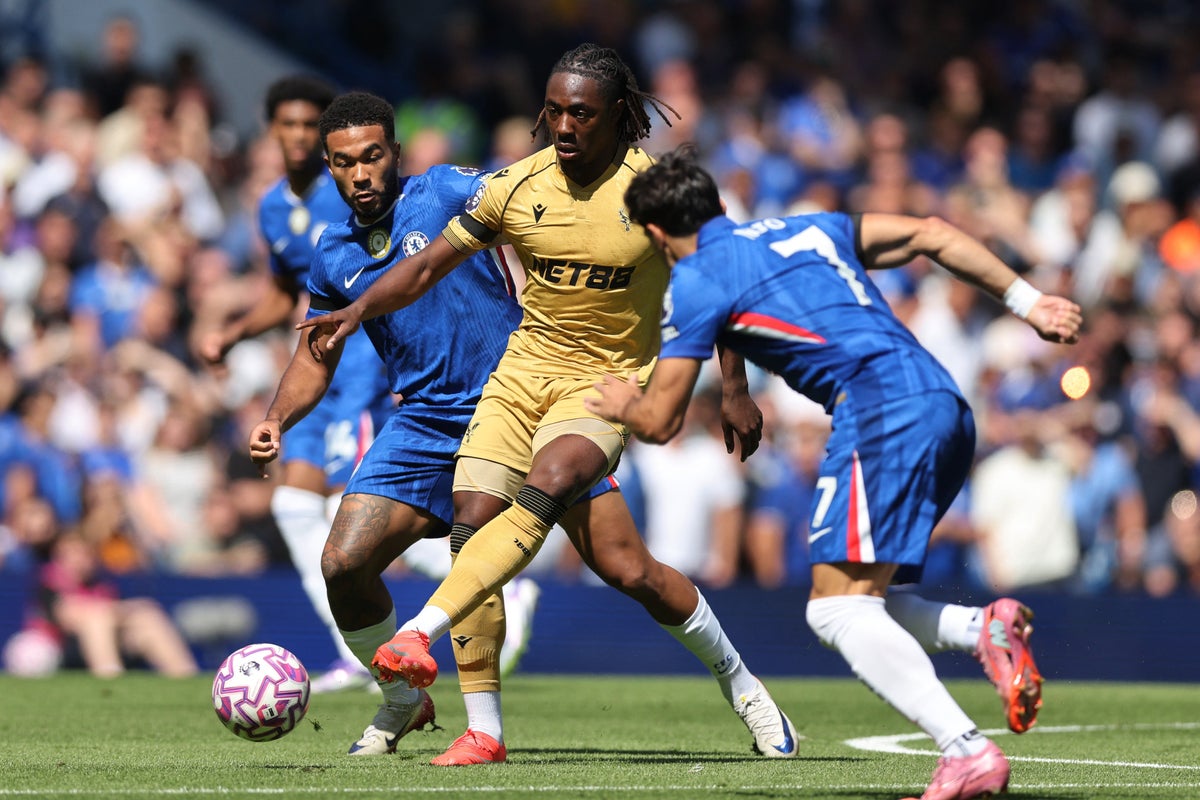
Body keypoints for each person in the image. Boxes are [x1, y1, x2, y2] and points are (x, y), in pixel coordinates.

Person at [298, 48, 798, 763]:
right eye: (553, 110)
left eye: (580, 114)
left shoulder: (653, 192)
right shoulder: (517, 185)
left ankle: (742, 683)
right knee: (482, 524)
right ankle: (485, 732)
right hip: (521, 374)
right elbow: (428, 265)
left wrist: (738, 389)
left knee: (592, 524)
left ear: (618, 115)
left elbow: (719, 283)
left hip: (604, 383)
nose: (562, 126)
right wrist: (356, 311)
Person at [585, 150, 1082, 800]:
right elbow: (931, 231)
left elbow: (658, 422)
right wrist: (1029, 301)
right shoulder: (807, 227)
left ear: (656, 235)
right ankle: (979, 630)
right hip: (944, 404)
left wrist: (624, 402)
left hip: (880, 414)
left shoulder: (695, 282)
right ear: (718, 207)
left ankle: (966, 751)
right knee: (867, 600)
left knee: (836, 612)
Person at [201, 77, 539, 693]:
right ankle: (400, 696)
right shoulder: (324, 245)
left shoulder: (442, 190)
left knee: (625, 567)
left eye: (372, 156)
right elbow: (309, 342)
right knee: (335, 550)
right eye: (344, 162)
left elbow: (528, 202)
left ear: (397, 154)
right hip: (424, 417)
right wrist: (276, 415)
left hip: (509, 403)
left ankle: (744, 690)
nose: (359, 173)